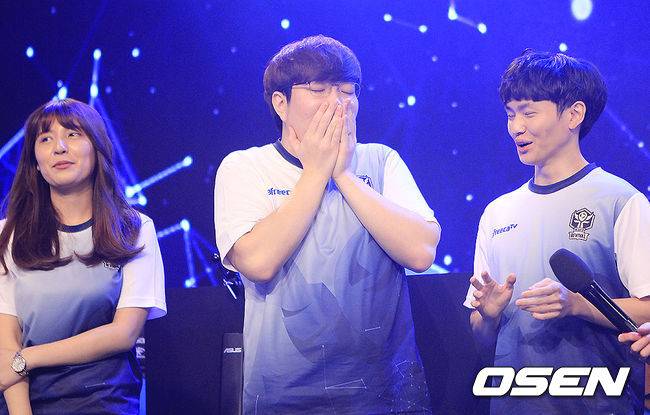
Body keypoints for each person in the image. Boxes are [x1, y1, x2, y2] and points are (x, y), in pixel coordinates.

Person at [214, 35, 441, 414]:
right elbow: (257, 262)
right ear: (281, 103)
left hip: (384, 396)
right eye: (319, 90)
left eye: (348, 91)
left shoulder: (381, 161)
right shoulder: (245, 167)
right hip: (285, 398)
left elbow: (421, 253)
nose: (339, 103)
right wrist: (316, 172)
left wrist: (344, 175)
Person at [465, 50, 650, 414]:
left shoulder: (620, 200)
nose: (516, 127)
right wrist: (488, 315)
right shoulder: (497, 213)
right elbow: (481, 339)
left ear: (574, 115)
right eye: (510, 114)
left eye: (529, 112)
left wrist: (577, 304)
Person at [0, 98, 166, 414]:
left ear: (97, 148)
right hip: (24, 401)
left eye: (73, 134)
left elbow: (124, 333)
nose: (59, 148)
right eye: (45, 139)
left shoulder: (134, 228)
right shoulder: (7, 234)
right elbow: (5, 344)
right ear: (35, 162)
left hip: (104, 400)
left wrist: (28, 358)